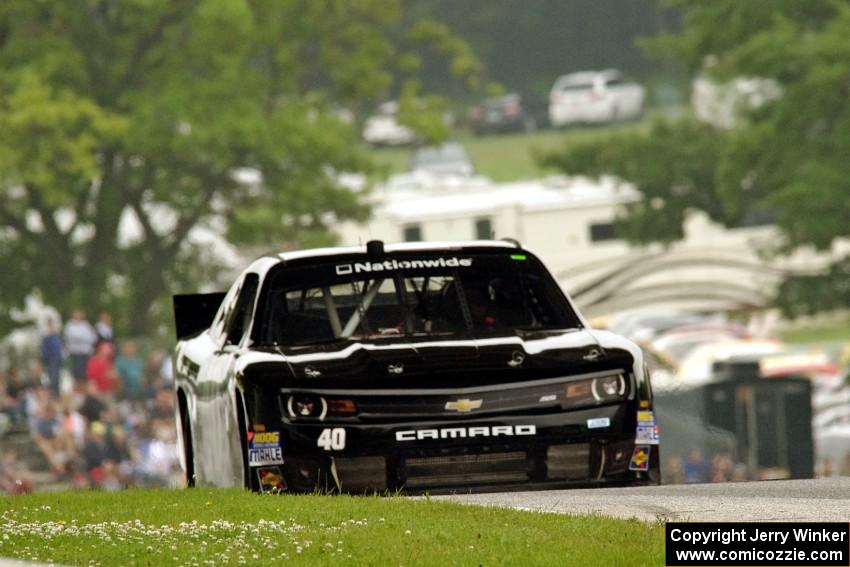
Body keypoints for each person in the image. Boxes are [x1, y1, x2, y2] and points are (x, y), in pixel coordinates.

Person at [64, 310, 97, 384]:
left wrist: (82, 338)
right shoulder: (69, 325)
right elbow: (71, 337)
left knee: (85, 372)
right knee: (76, 372)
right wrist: (82, 337)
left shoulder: (86, 325)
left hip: (85, 352)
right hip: (75, 352)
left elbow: (93, 337)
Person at [41, 319, 64, 395]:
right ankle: (53, 394)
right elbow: (45, 351)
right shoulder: (46, 338)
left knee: (57, 379)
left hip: (57, 360)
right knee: (52, 379)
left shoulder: (56, 337)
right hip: (51, 360)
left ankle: (56, 394)